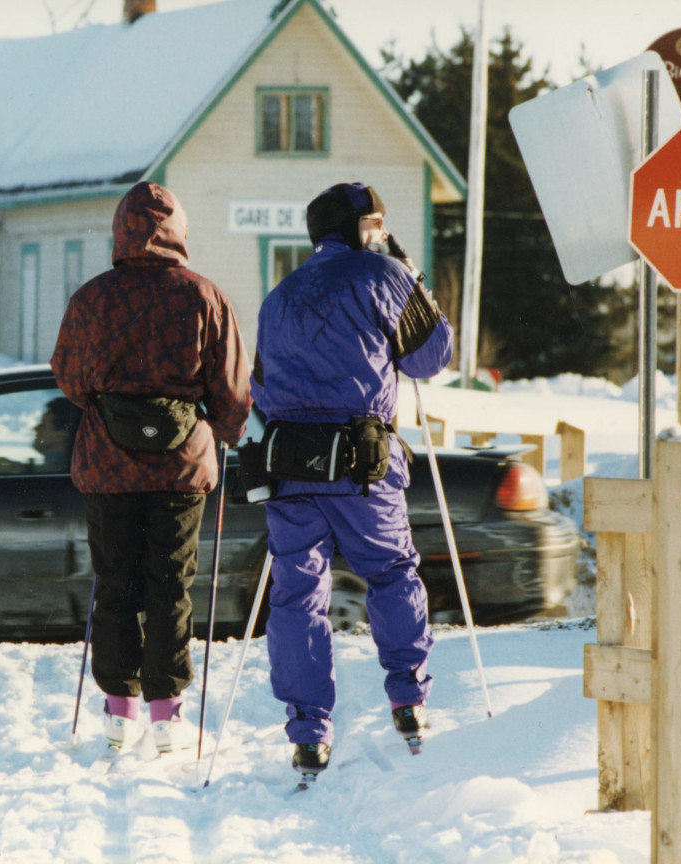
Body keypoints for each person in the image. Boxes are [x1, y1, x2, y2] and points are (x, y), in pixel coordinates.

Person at [249, 182, 453, 777]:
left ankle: (308, 728)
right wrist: (411, 276)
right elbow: (431, 357)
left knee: (295, 594)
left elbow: (260, 386)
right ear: (357, 228)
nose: (384, 232)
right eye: (378, 222)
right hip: (363, 461)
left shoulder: (279, 294)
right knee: (390, 573)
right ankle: (409, 698)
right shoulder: (384, 275)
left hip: (291, 465)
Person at [51, 181, 251, 753]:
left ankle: (119, 711)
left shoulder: (92, 298)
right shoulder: (204, 296)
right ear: (179, 231)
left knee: (114, 582)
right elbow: (233, 389)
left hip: (108, 466)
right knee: (171, 583)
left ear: (120, 230)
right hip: (181, 467)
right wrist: (226, 433)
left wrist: (106, 404)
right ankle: (167, 715)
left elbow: (68, 376)